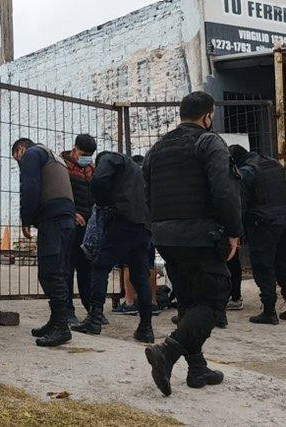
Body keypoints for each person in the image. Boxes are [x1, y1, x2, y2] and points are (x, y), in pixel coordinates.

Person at [143, 91, 241, 396]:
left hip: (166, 236)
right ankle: (167, 353)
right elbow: (224, 191)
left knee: (188, 300)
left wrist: (159, 228)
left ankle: (197, 368)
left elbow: (147, 193)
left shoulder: (157, 148)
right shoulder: (209, 142)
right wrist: (234, 231)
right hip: (200, 234)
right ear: (207, 116)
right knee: (213, 301)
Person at [71, 151, 155, 344]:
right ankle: (146, 327)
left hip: (123, 221)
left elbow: (99, 183)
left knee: (100, 266)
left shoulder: (110, 158)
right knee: (139, 275)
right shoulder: (135, 170)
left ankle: (94, 319)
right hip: (143, 226)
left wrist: (102, 203)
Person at [12, 138, 75, 347]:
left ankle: (61, 327)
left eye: (16, 158)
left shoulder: (32, 154)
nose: (19, 163)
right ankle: (56, 320)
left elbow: (29, 187)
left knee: (49, 272)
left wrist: (26, 219)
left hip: (53, 220)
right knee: (59, 270)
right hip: (66, 218)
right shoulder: (54, 156)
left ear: (20, 149)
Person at [228, 144, 286, 325]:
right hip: (283, 220)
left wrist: (236, 232)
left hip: (262, 223)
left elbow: (241, 206)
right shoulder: (273, 163)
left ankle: (269, 311)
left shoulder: (246, 172)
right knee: (283, 262)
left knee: (263, 266)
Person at [113, 155, 160, 316]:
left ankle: (130, 301)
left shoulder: (129, 180)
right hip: (149, 225)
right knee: (150, 263)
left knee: (127, 264)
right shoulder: (150, 178)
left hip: (132, 225)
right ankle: (153, 302)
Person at [60, 134, 97, 326]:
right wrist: (71, 212)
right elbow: (56, 193)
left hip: (87, 227)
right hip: (69, 223)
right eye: (83, 154)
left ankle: (92, 309)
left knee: (86, 268)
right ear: (74, 150)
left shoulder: (92, 169)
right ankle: (67, 310)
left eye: (90, 155)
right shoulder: (61, 166)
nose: (86, 158)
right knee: (66, 268)